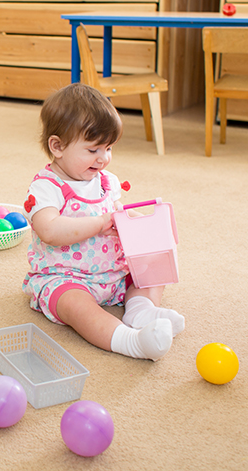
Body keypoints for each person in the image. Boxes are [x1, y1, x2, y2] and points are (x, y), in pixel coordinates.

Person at [22, 83, 185, 360]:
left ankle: (140, 309)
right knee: (76, 306)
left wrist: (143, 228)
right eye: (94, 150)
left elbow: (117, 214)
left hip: (114, 273)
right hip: (66, 278)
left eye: (109, 148)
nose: (104, 159)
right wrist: (99, 223)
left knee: (153, 264)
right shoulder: (46, 187)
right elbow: (49, 230)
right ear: (57, 146)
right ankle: (129, 341)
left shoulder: (106, 181)